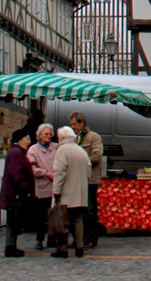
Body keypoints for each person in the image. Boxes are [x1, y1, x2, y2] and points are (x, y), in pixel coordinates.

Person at [51, 126, 91, 259]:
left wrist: (56, 191)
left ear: (62, 137)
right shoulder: (81, 151)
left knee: (63, 221)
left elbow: (59, 172)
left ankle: (62, 249)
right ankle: (79, 247)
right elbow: (89, 171)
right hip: (80, 193)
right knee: (78, 220)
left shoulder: (63, 150)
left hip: (66, 193)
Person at [68, 110, 103, 248]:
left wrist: (81, 165)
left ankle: (91, 237)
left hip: (89, 179)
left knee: (89, 210)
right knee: (77, 210)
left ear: (82, 123)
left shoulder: (94, 137)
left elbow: (97, 155)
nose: (72, 127)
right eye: (71, 125)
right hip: (75, 180)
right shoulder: (72, 138)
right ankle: (79, 238)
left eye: (74, 124)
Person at [0, 127, 35, 257]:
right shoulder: (16, 153)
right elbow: (16, 174)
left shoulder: (16, 151)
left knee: (14, 220)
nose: (29, 142)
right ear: (21, 140)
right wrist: (24, 187)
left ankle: (11, 246)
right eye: (27, 139)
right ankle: (10, 247)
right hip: (15, 194)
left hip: (15, 193)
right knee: (13, 220)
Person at [27, 123, 58, 250]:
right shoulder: (33, 150)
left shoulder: (56, 147)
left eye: (50, 134)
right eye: (46, 134)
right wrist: (46, 173)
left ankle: (52, 239)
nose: (48, 136)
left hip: (55, 186)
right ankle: (39, 239)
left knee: (54, 215)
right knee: (40, 215)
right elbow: (32, 168)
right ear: (39, 135)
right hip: (41, 187)